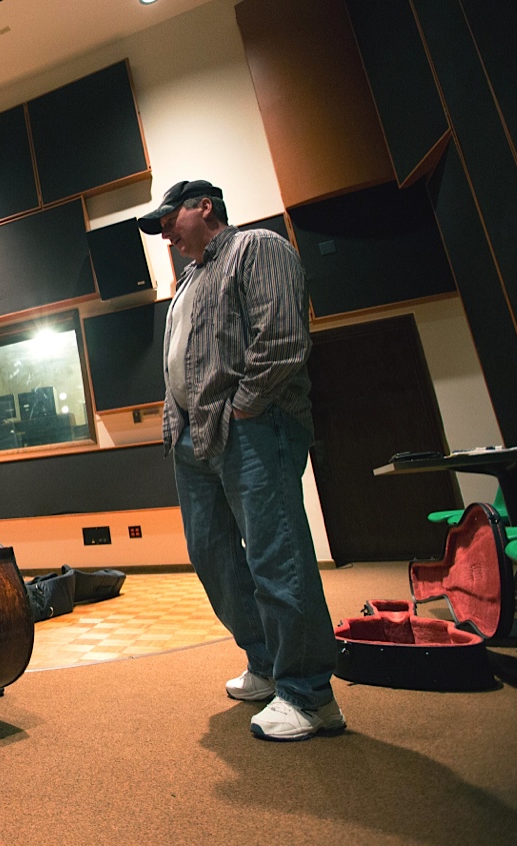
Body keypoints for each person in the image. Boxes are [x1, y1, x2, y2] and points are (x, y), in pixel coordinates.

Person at [138, 180, 344, 741]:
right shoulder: (188, 281)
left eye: (169, 219)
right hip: (193, 439)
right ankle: (267, 663)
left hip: (251, 429)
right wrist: (175, 421)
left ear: (204, 207)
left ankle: (309, 693)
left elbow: (280, 340)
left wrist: (243, 408)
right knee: (211, 557)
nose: (164, 233)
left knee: (277, 554)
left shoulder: (257, 247)